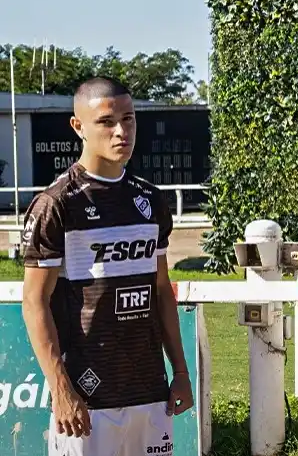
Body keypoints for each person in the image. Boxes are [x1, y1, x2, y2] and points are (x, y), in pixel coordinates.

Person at [20, 77, 193, 456]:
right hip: (86, 400)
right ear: (78, 126)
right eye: (107, 122)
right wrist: (61, 390)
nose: (121, 131)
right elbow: (34, 302)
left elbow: (161, 291)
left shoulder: (150, 199)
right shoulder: (56, 204)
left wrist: (180, 371)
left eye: (128, 120)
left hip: (149, 393)